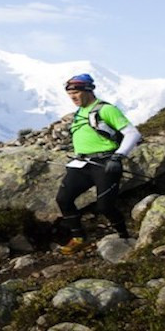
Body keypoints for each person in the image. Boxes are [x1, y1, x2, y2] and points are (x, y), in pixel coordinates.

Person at [55, 74, 142, 255]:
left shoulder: (106, 109)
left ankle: (124, 236)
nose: (73, 97)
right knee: (63, 199)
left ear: (88, 90)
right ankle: (79, 238)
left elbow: (132, 134)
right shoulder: (79, 112)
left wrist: (118, 157)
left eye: (76, 92)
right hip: (82, 163)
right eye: (70, 94)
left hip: (106, 163)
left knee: (104, 206)